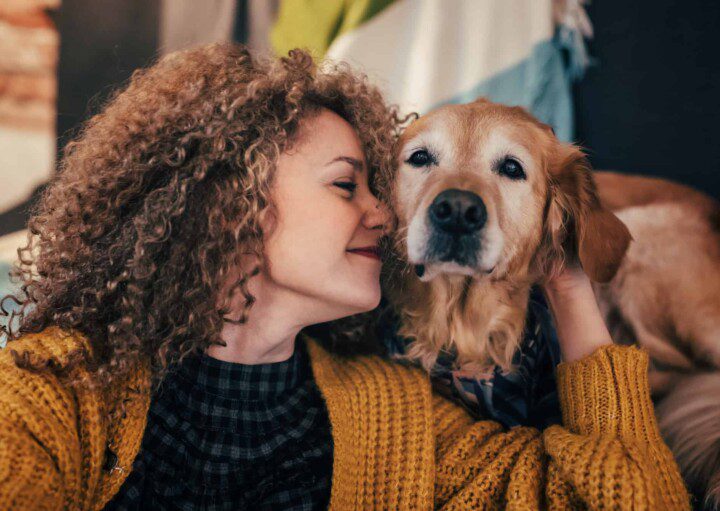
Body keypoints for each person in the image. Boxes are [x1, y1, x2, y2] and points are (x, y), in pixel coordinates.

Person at [0, 43, 690, 510]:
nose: (388, 214)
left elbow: (633, 496)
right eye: (347, 185)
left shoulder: (398, 417)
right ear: (229, 206)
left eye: (376, 184)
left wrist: (568, 284)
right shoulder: (58, 390)